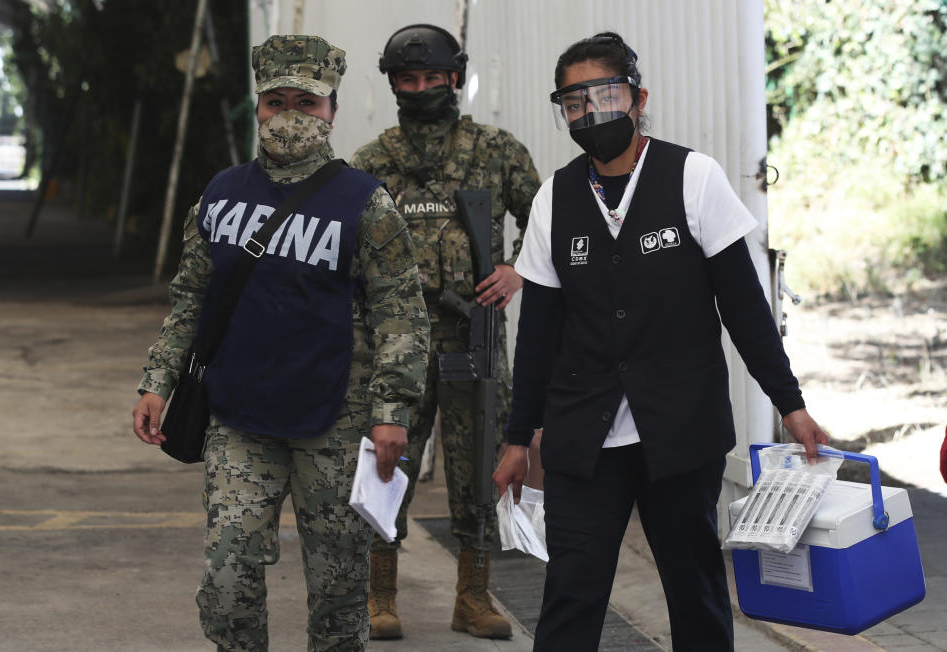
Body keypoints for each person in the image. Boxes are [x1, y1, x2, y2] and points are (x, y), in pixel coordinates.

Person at [492, 32, 830, 652]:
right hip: (583, 431)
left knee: (694, 589)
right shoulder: (554, 199)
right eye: (573, 103)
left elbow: (745, 308)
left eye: (605, 95)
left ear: (638, 97)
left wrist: (791, 404)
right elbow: (537, 332)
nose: (590, 114)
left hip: (679, 428)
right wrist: (519, 438)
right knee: (571, 591)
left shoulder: (692, 177)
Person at [131, 34, 429, 651]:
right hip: (239, 416)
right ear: (258, 106)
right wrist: (156, 382)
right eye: (275, 101)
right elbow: (189, 297)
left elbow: (401, 314)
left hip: (335, 421)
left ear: (332, 111)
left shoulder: (365, 204)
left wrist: (391, 415)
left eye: (307, 102)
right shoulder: (220, 194)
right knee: (227, 572)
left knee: (339, 591)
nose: (290, 116)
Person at [350, 23, 541, 640]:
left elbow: (548, 220)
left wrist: (515, 270)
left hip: (474, 334)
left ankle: (473, 596)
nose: (423, 88)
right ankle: (380, 597)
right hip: (397, 343)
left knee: (480, 462)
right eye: (409, 79)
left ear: (456, 77)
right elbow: (346, 247)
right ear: (394, 84)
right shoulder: (373, 161)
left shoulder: (496, 150)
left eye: (434, 78)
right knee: (387, 459)